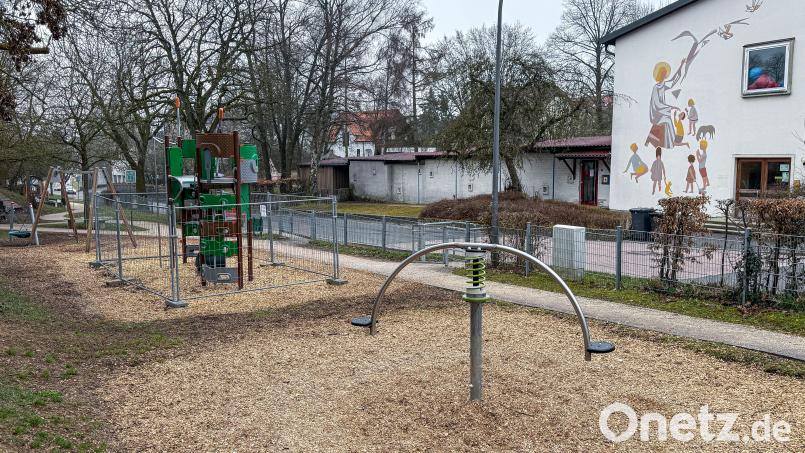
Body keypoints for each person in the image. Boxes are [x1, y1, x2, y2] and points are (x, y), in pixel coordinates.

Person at [646, 60, 684, 149]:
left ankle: (670, 143)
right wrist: (670, 108)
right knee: (668, 120)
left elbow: (673, 81)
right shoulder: (656, 87)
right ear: (659, 74)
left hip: (662, 110)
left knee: (668, 120)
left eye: (665, 74)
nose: (664, 75)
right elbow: (657, 103)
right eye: (662, 73)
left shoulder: (663, 85)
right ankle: (671, 143)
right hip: (656, 112)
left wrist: (681, 65)